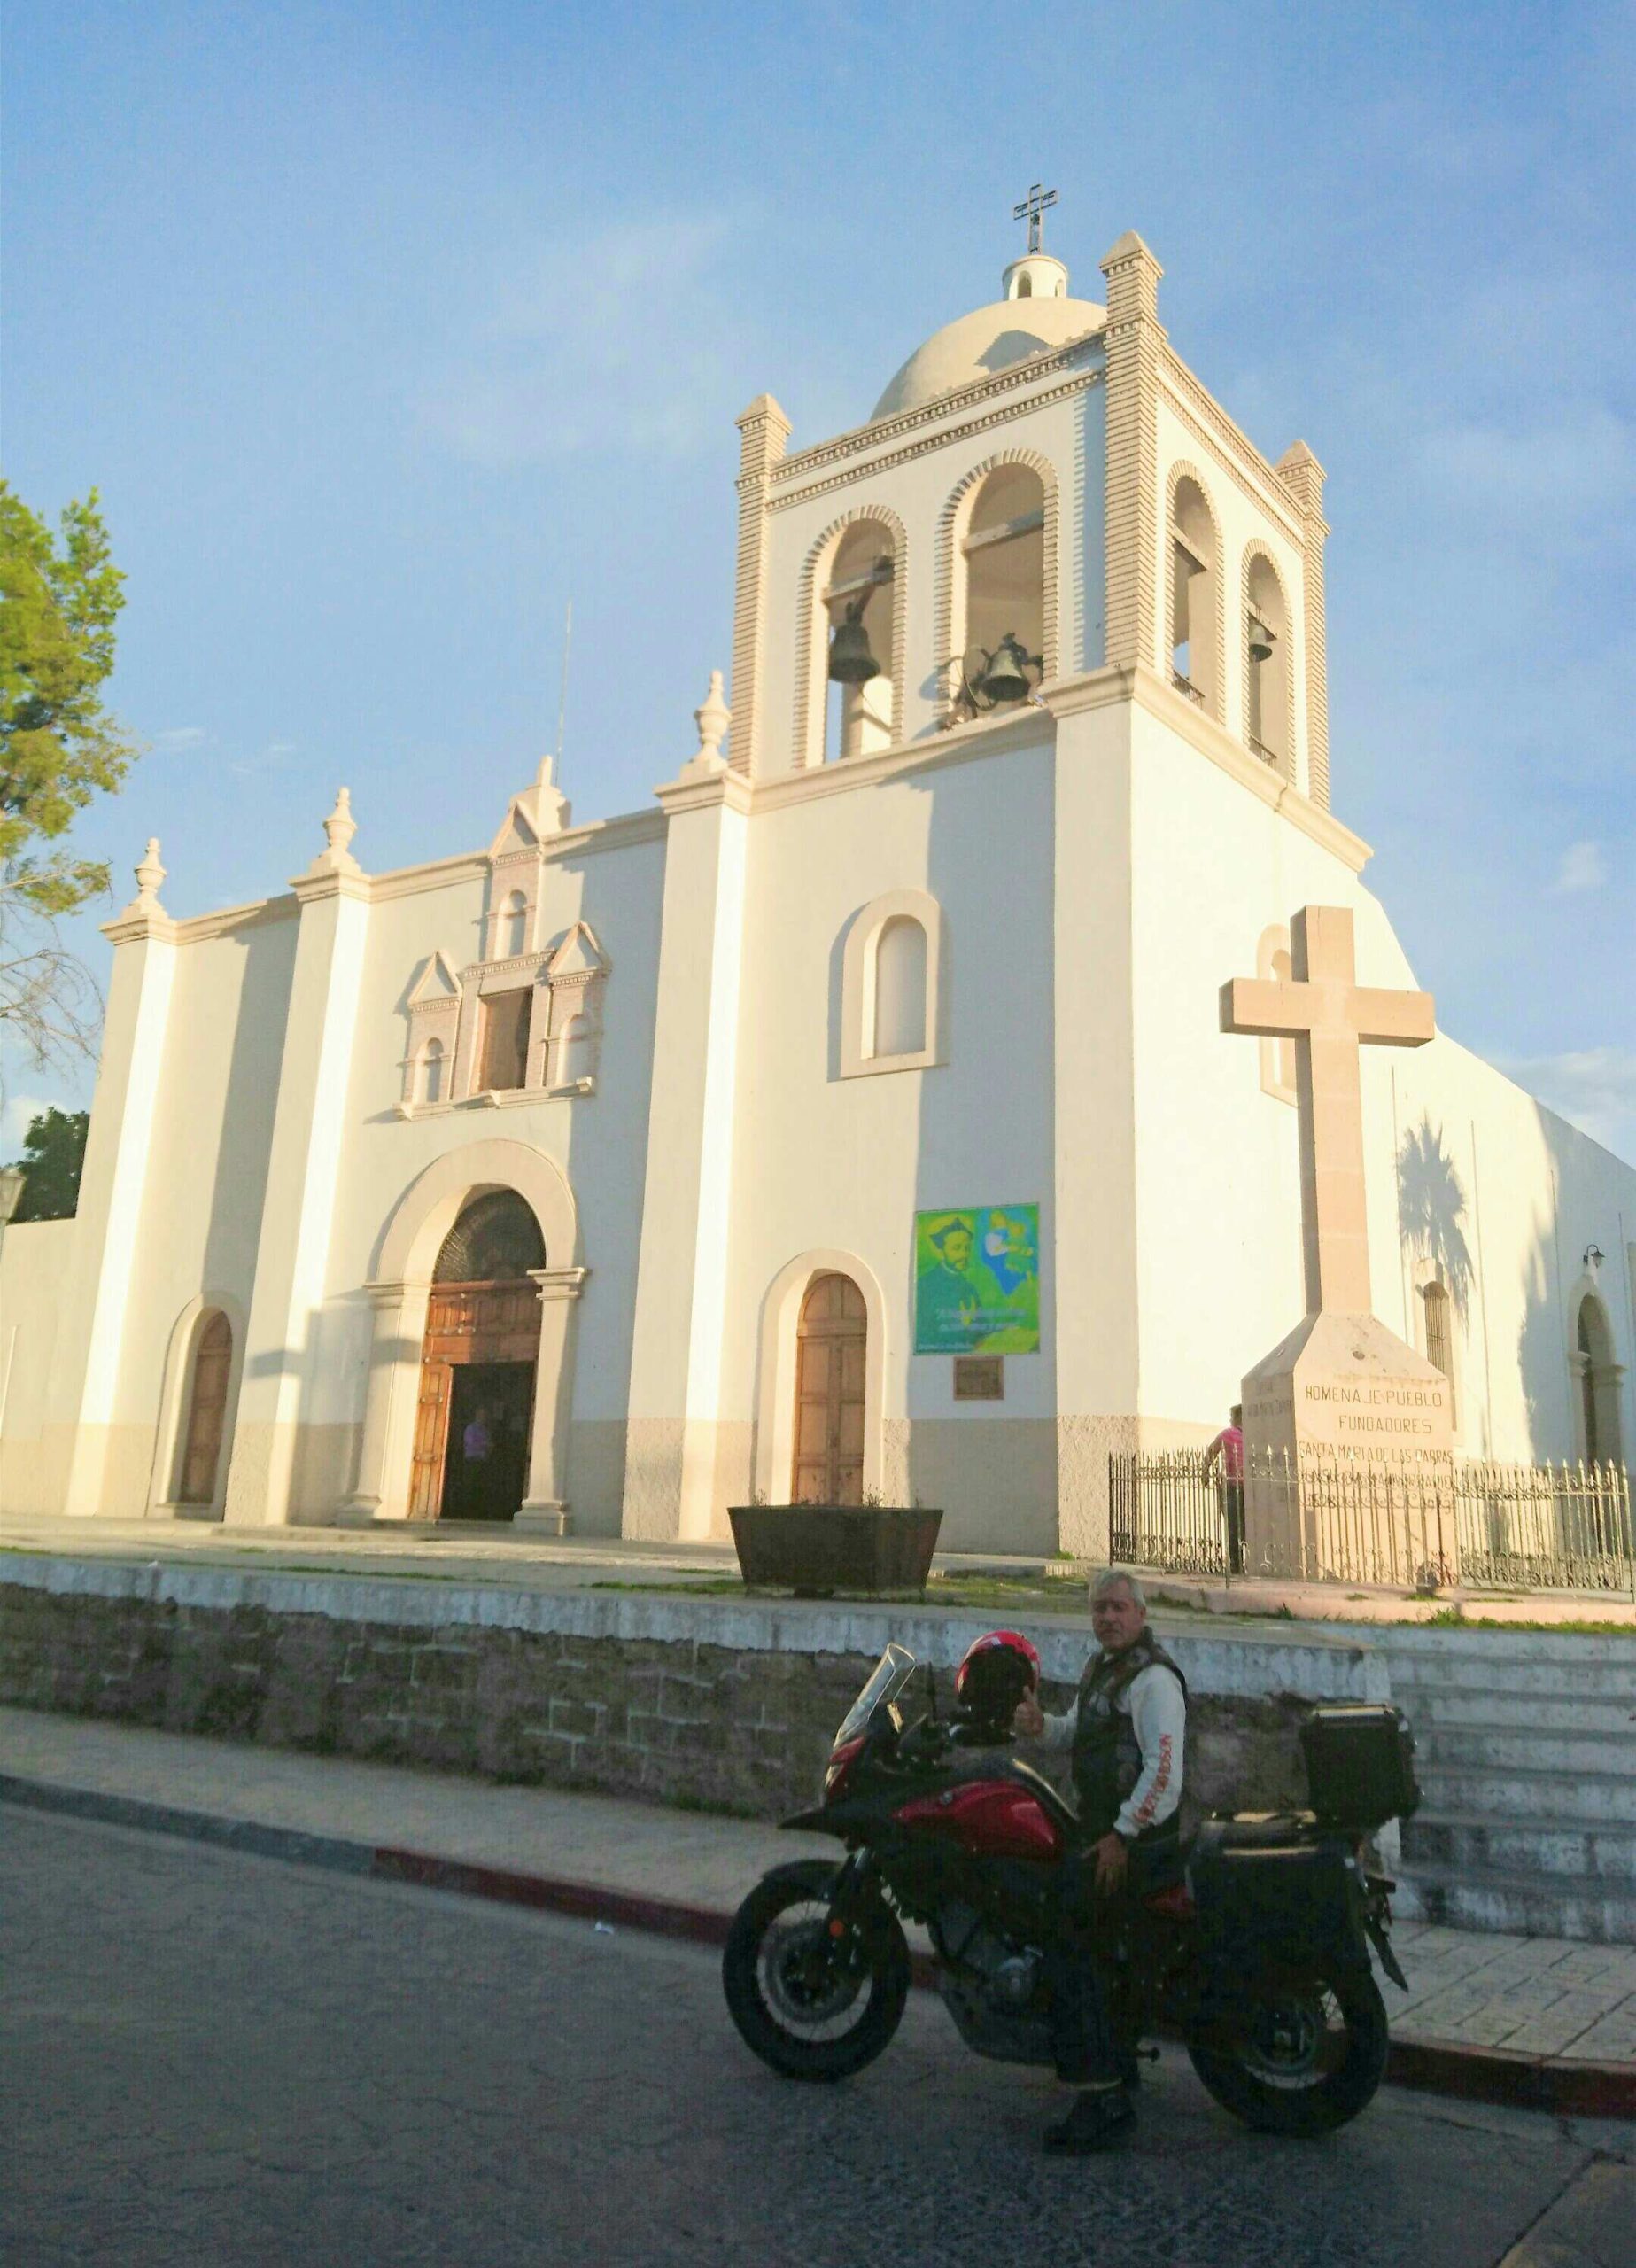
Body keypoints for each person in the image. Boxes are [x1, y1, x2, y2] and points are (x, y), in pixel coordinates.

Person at [1012, 1570, 1188, 2155]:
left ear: (1139, 1615)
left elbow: (1163, 1774)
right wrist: (1042, 1728)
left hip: (1138, 1844)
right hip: (1105, 1832)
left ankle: (1102, 2096)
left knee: (1064, 1929)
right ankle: (1115, 2057)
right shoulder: (1102, 1670)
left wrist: (1120, 1834)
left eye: (1117, 1608)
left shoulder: (1152, 1679)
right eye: (1097, 1609)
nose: (1106, 1618)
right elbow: (1080, 1736)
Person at [1203, 1404, 1245, 1573]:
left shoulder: (1228, 1433)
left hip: (1233, 1485)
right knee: (1240, 1525)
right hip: (1242, 1486)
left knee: (1234, 1526)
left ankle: (1237, 1563)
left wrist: (1205, 1472)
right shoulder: (1253, 1434)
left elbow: (1211, 1451)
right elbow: (1212, 1451)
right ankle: (1238, 1562)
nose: (1230, 1421)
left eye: (1231, 1417)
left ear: (1237, 1417)